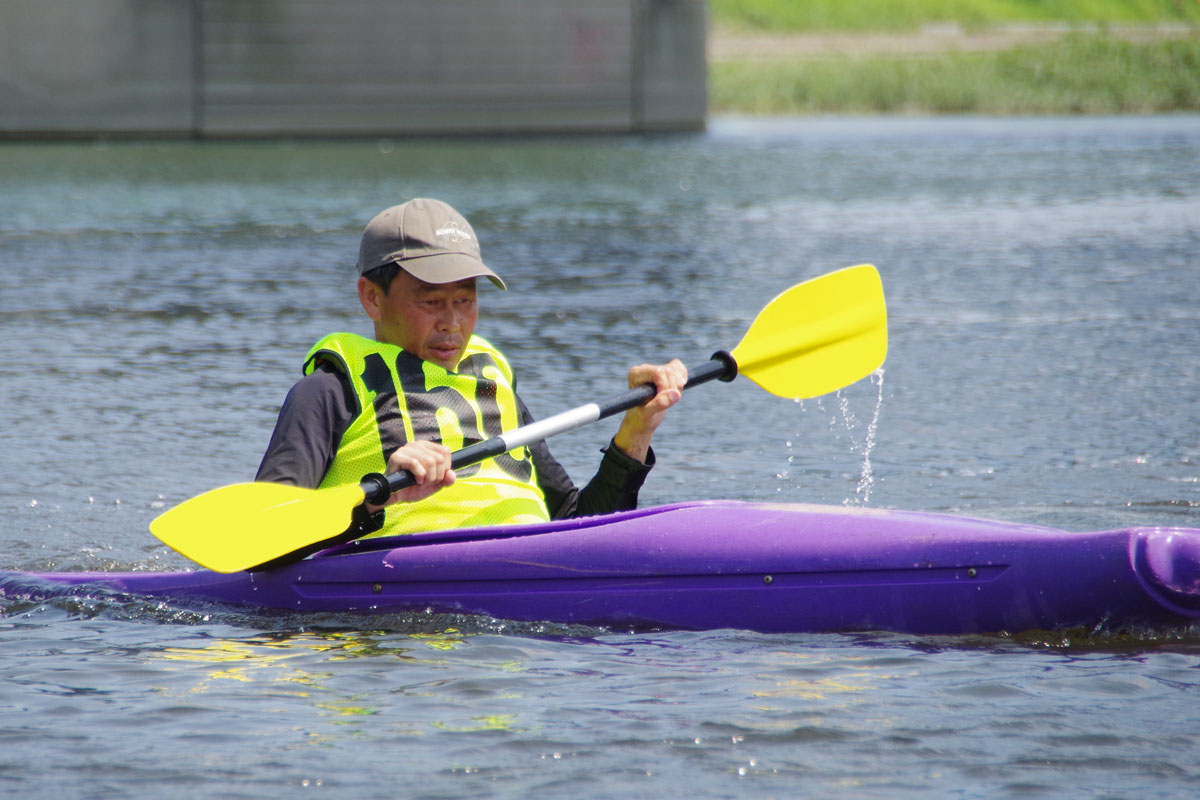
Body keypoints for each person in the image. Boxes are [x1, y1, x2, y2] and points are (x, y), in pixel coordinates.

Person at [256, 198, 687, 539]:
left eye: (465, 300)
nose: (453, 322)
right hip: (393, 626)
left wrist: (636, 432)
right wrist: (374, 498)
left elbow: (580, 526)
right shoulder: (328, 392)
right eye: (430, 301)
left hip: (512, 611)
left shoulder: (491, 385)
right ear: (372, 297)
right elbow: (262, 537)